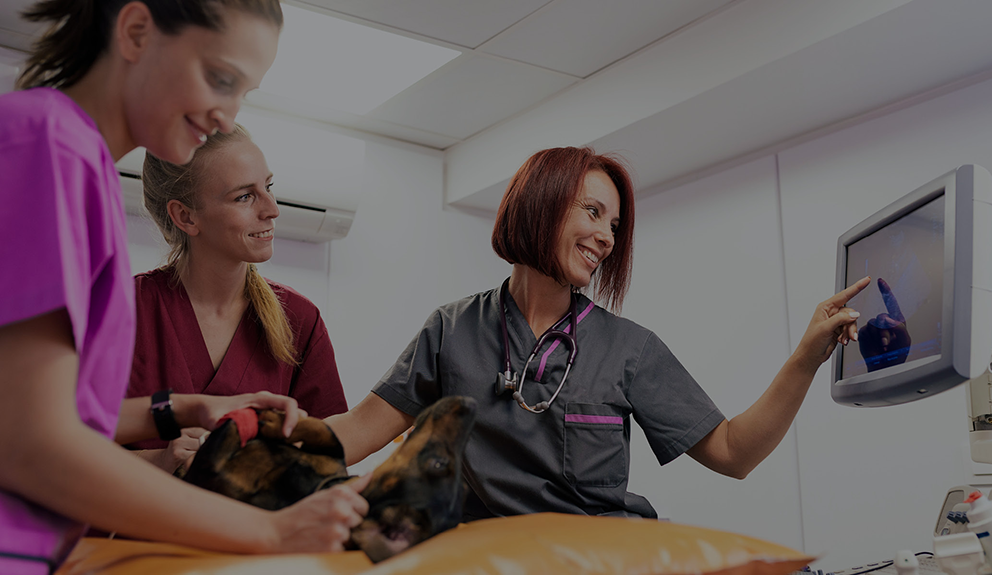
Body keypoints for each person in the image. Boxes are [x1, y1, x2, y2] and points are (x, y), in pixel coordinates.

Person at [0, 1, 368, 571]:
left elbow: (67, 416)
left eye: (243, 91)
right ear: (137, 31)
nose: (226, 115)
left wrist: (189, 407)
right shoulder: (49, 144)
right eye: (220, 79)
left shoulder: (80, 164)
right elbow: (29, 442)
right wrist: (268, 532)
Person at [324, 146, 870, 520]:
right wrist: (257, 429)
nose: (607, 237)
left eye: (614, 225)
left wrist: (804, 358)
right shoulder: (450, 332)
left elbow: (733, 452)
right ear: (541, 203)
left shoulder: (629, 348)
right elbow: (352, 434)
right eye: (593, 211)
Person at [126, 125, 349, 473]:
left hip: (257, 527)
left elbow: (327, 460)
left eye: (269, 187)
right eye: (244, 196)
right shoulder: (123, 310)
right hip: (131, 526)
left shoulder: (300, 321)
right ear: (186, 216)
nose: (272, 209)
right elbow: (58, 450)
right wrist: (159, 461)